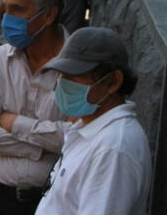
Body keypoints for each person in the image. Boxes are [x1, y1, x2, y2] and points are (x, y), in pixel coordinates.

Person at [0, 0, 69, 215]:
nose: (7, 19)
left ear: (48, 16)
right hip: (0, 199)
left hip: (55, 201)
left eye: (17, 10)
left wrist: (13, 122)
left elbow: (72, 139)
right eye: (6, 8)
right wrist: (41, 146)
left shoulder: (77, 67)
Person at [36, 27, 151, 214]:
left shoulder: (113, 149)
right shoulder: (90, 129)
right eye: (62, 75)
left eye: (73, 76)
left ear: (113, 82)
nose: (62, 84)